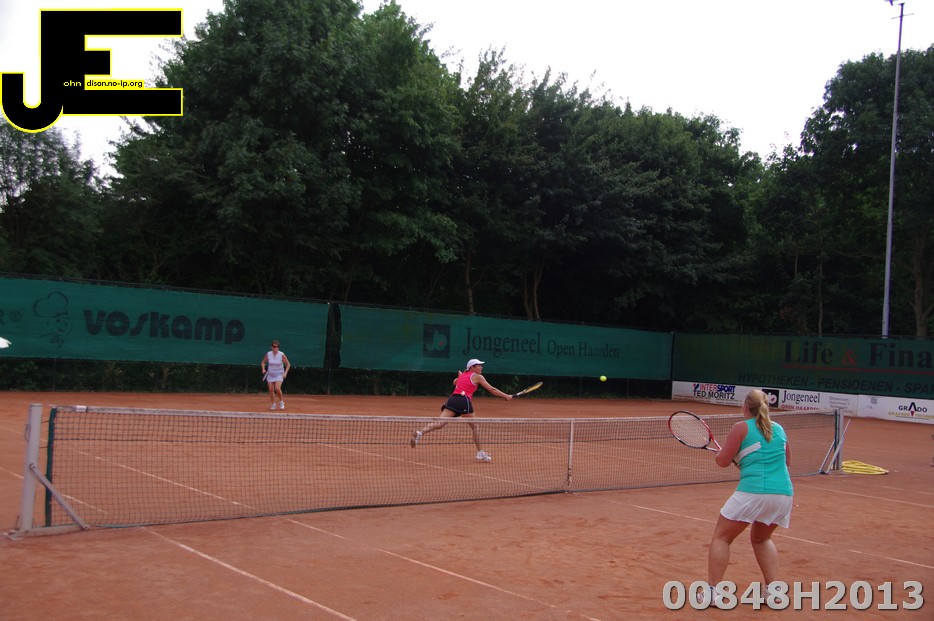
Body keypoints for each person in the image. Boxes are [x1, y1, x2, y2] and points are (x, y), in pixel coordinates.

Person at [704, 388, 793, 607]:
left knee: (722, 537)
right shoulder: (779, 429)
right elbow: (785, 462)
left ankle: (713, 593)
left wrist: (722, 456)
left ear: (745, 407)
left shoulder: (741, 428)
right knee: (762, 539)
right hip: (783, 494)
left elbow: (722, 461)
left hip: (753, 492)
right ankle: (773, 592)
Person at [410, 358, 513, 461]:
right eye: (479, 365)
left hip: (452, 399)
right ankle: (480, 453)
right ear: (472, 367)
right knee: (475, 426)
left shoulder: (463, 375)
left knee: (439, 424)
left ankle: (420, 433)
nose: (481, 367)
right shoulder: (478, 376)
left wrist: (460, 376)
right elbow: (492, 389)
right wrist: (506, 396)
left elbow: (454, 382)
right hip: (463, 401)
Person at [261, 340, 291, 410]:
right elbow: (263, 362)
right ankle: (273, 404)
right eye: (274, 346)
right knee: (271, 389)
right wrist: (263, 369)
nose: (276, 348)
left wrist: (285, 373)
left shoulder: (281, 354)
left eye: (277, 346)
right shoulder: (268, 354)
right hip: (270, 374)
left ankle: (281, 402)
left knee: (277, 388)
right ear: (271, 347)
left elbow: (288, 364)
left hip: (279, 374)